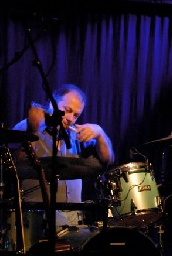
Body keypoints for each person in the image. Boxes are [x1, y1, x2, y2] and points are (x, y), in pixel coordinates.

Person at [12, 83, 115, 232]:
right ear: (52, 102)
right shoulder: (28, 125)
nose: (70, 118)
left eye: (76, 115)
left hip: (74, 215)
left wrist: (100, 133)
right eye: (67, 110)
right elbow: (16, 161)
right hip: (37, 216)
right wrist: (34, 130)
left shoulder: (76, 135)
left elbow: (108, 159)